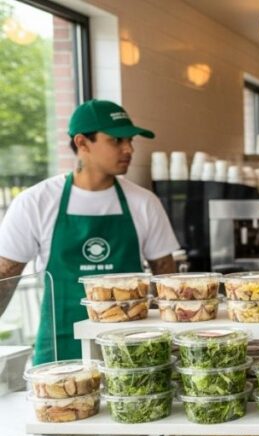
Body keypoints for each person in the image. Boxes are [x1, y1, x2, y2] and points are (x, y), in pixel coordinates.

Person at [0, 99, 179, 363]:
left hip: (132, 357)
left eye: (130, 140)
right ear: (82, 143)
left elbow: (168, 284)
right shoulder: (36, 202)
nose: (128, 148)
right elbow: (5, 276)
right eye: (116, 141)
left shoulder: (144, 203)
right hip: (60, 357)